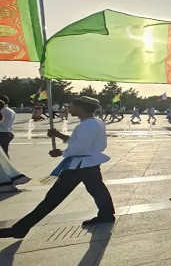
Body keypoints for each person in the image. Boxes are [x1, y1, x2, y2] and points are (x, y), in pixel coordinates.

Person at [0, 96, 115, 239]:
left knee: (54, 197)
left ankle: (20, 228)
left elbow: (80, 147)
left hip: (79, 165)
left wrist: (61, 153)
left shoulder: (88, 125)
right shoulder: (93, 122)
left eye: (71, 106)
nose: (69, 108)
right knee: (97, 190)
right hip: (87, 163)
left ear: (80, 108)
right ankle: (106, 214)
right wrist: (59, 135)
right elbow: (77, 142)